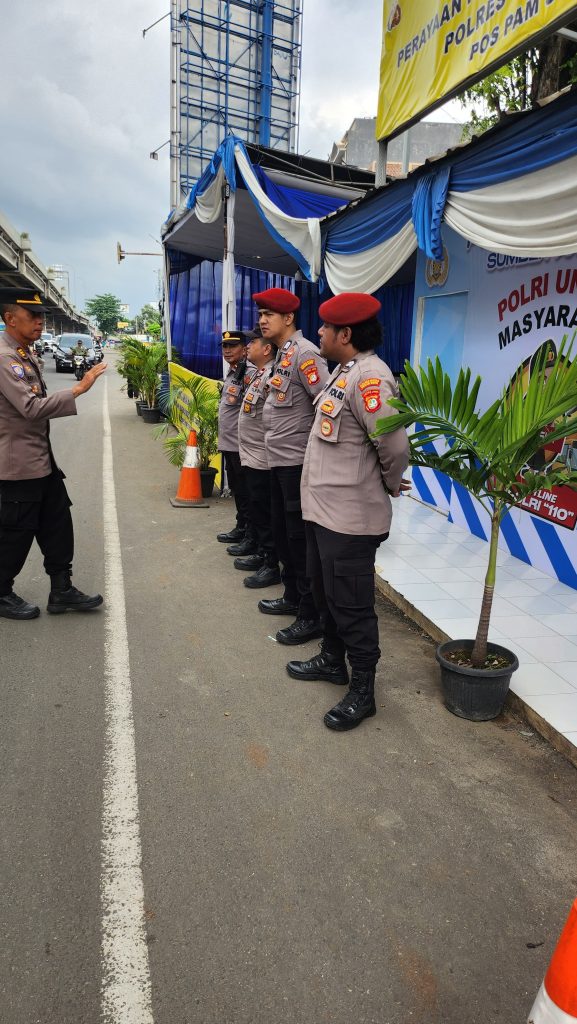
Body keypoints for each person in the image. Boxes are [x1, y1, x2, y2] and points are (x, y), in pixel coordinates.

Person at [290, 293, 410, 731]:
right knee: (325, 594)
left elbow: (394, 445)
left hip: (350, 521)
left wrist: (390, 483)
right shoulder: (345, 371)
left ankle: (363, 690)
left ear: (345, 334)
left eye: (324, 328)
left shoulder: (371, 379)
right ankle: (331, 660)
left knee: (353, 606)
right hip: (323, 513)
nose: (318, 333)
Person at [0, 287, 107, 620]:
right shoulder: (5, 359)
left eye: (42, 315)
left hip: (41, 462)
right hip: (17, 466)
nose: (40, 321)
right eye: (32, 315)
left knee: (58, 524)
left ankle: (61, 589)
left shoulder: (25, 353)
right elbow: (31, 409)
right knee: (16, 533)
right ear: (9, 318)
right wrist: (78, 388)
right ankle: (1, 591)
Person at [254, 287, 329, 645]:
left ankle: (309, 615)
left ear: (288, 318)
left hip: (297, 464)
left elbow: (325, 406)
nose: (262, 320)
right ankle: (292, 595)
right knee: (284, 535)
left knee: (299, 541)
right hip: (277, 460)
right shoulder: (284, 354)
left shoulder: (306, 354)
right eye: (260, 314)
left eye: (269, 314)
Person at [236, 326, 280, 589]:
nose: (247, 347)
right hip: (251, 455)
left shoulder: (272, 374)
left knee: (266, 513)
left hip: (263, 458)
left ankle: (271, 563)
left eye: (252, 343)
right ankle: (264, 554)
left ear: (266, 349)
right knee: (257, 509)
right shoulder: (259, 374)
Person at [215, 330, 256, 555]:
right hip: (229, 443)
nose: (228, 350)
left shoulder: (248, 372)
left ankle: (250, 534)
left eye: (233, 346)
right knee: (239, 491)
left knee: (247, 492)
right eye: (224, 346)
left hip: (241, 445)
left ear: (244, 349)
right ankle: (241, 527)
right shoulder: (233, 372)